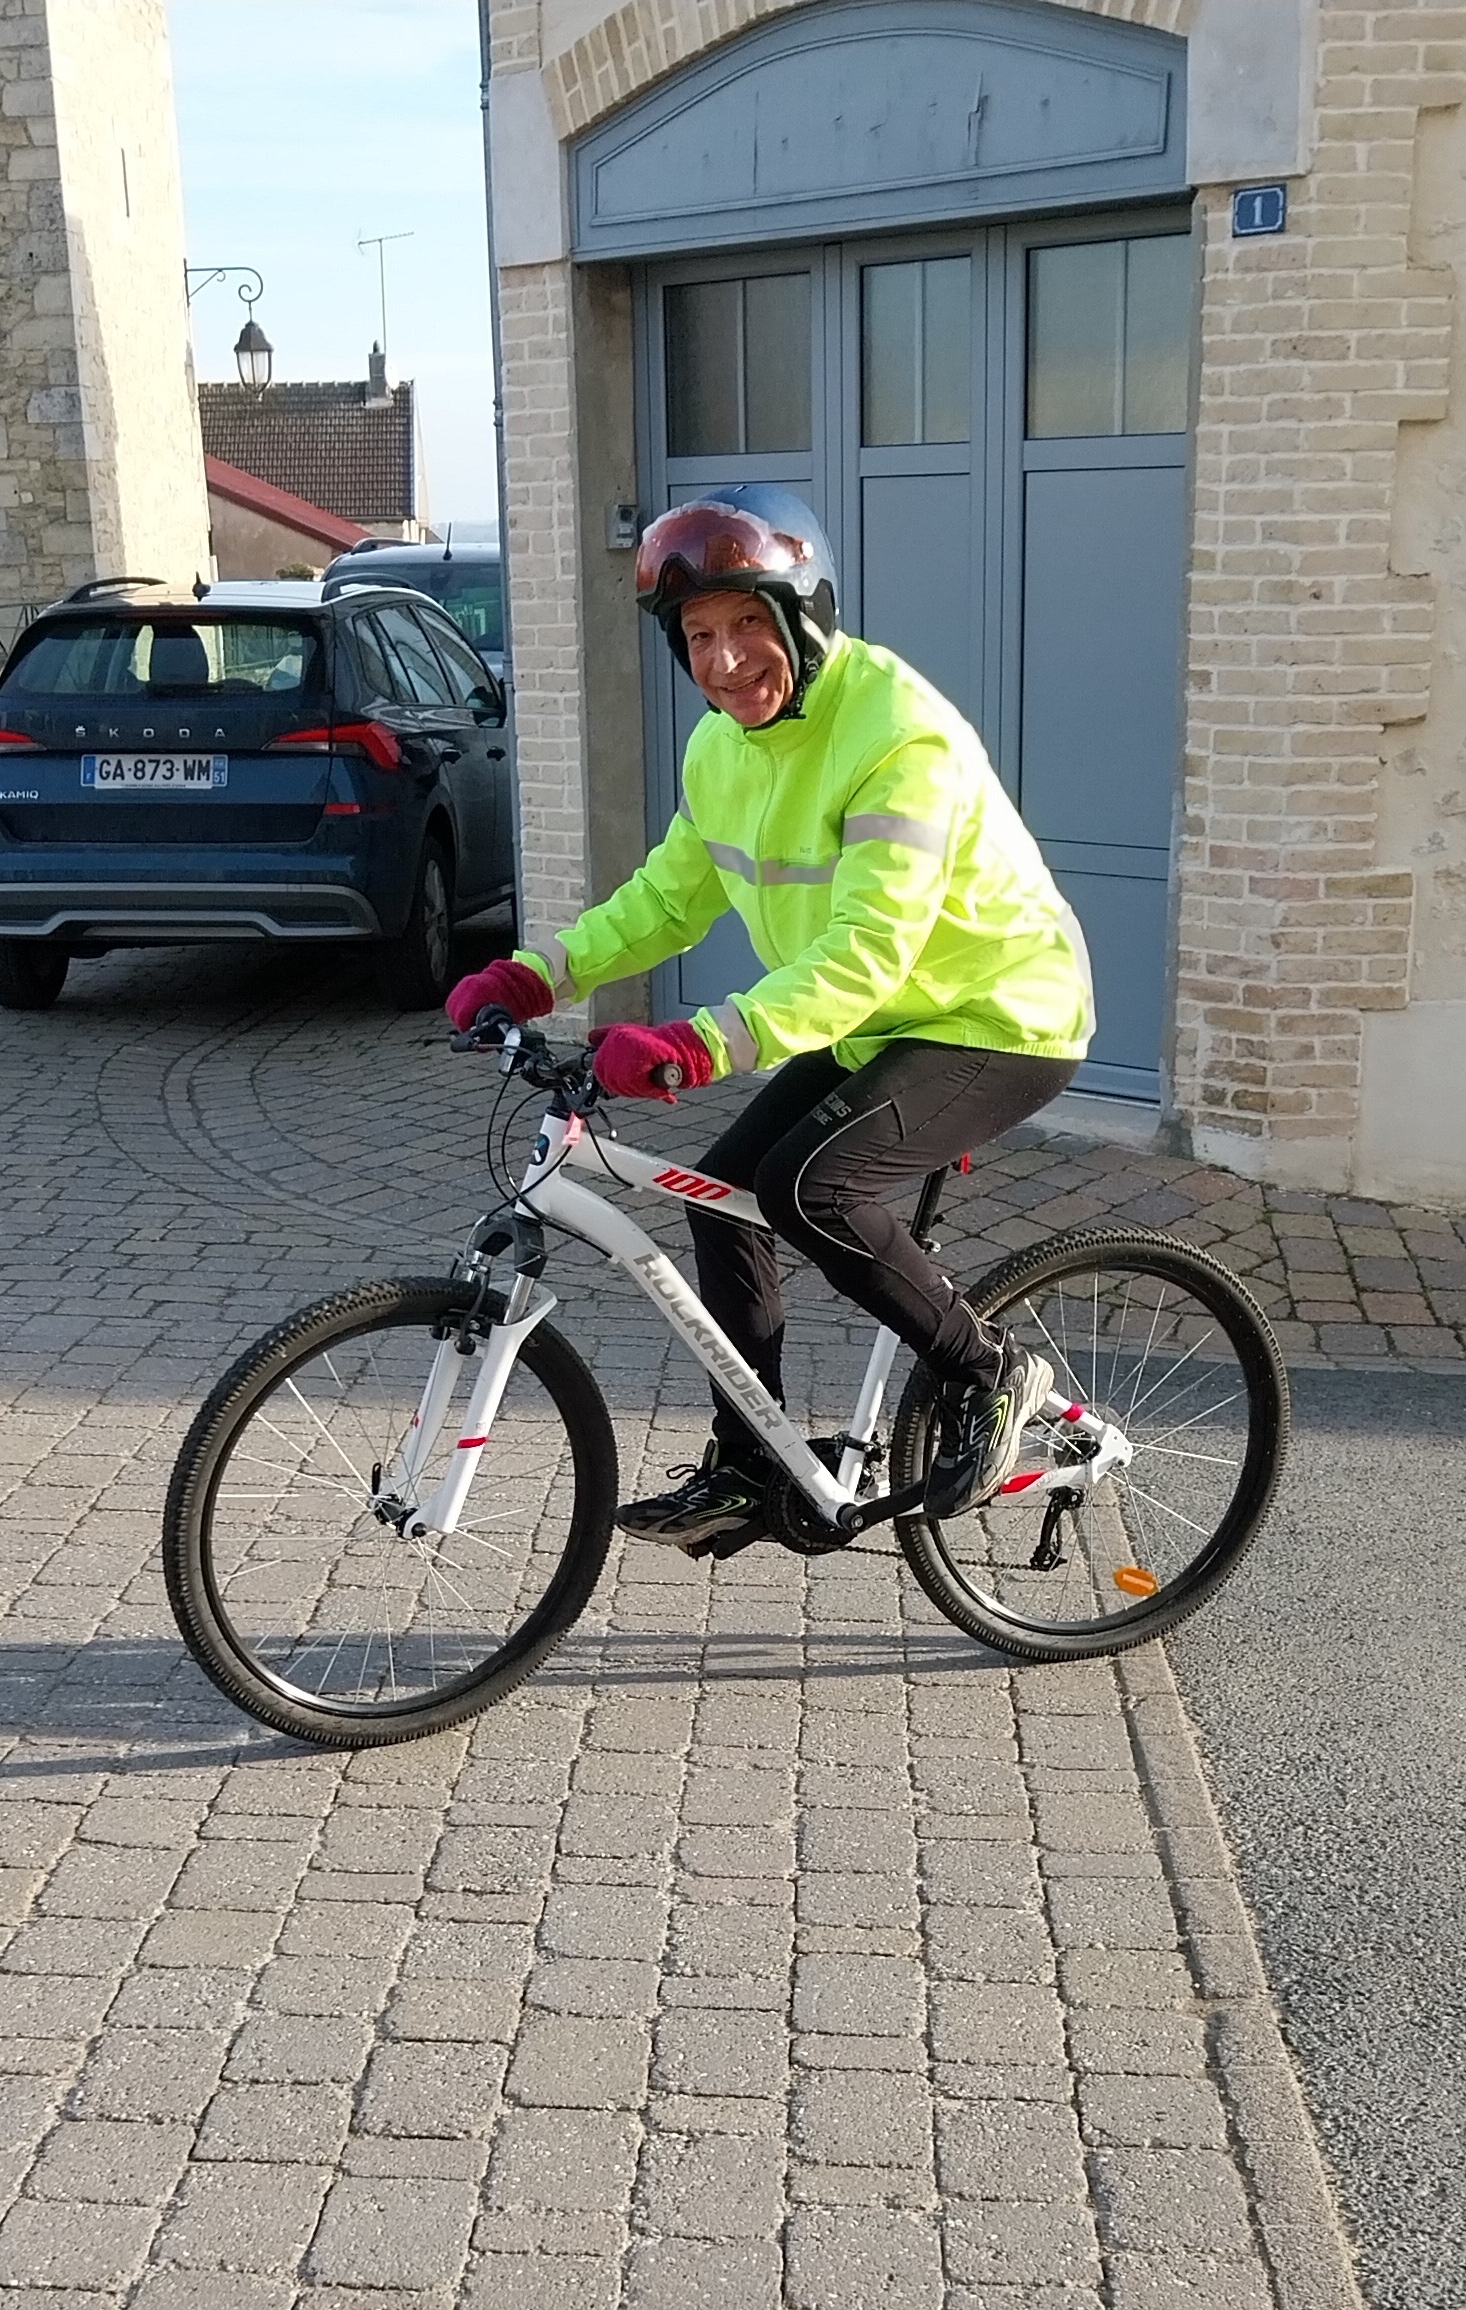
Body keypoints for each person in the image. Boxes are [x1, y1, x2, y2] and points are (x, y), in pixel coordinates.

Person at [446, 486, 1092, 1554]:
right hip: (881, 1022)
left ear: (804, 616)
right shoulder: (720, 750)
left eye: (748, 622)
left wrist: (699, 1043)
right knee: (722, 1197)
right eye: (698, 635)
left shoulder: (897, 734)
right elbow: (665, 901)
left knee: (807, 1185)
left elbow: (867, 950)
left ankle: (988, 1372)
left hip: (999, 1015)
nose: (724, 658)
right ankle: (751, 1466)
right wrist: (534, 976)